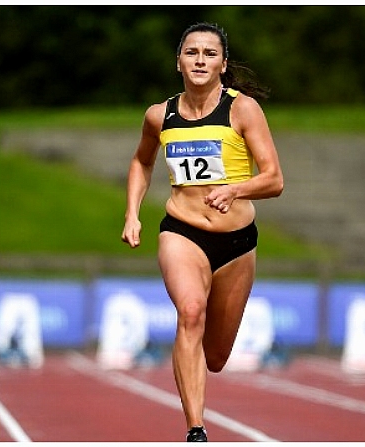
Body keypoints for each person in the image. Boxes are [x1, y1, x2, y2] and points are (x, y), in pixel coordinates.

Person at [121, 22, 283, 442]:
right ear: (178, 61)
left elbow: (274, 179)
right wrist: (132, 213)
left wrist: (235, 189)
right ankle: (196, 429)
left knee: (216, 356)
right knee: (190, 311)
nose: (199, 60)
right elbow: (141, 162)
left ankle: (199, 397)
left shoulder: (242, 110)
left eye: (210, 54)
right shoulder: (160, 115)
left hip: (236, 243)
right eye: (192, 52)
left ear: (223, 64)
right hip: (182, 232)